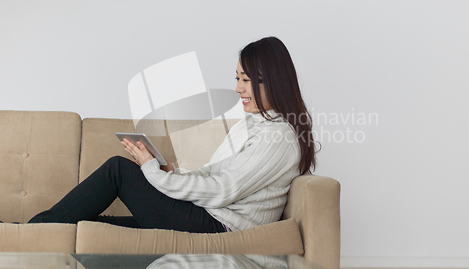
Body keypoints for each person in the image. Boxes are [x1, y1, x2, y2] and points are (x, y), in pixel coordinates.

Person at [28, 36, 319, 235]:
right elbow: (214, 173)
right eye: (237, 78)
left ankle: (25, 234)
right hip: (208, 216)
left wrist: (153, 173)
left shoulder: (278, 137)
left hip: (217, 225)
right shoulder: (260, 126)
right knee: (97, 224)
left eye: (245, 80)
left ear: (273, 82)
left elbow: (222, 190)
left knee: (118, 170)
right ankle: (25, 231)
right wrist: (172, 172)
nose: (238, 88)